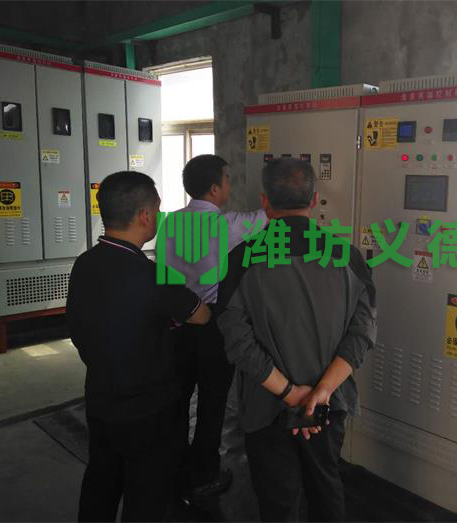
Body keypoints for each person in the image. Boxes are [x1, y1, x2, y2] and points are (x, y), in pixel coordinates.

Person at [217, 158, 377, 521]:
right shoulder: (349, 258)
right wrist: (321, 392)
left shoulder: (242, 259)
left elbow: (237, 342)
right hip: (328, 406)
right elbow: (362, 334)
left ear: (264, 201)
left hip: (266, 408)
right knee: (326, 487)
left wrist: (291, 394)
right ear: (314, 199)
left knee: (278, 502)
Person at [67, 171, 211, 522]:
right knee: (147, 493)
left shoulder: (84, 264)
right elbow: (201, 315)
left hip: (100, 399)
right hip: (150, 409)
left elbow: (77, 327)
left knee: (101, 482)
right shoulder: (152, 275)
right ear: (145, 216)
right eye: (158, 211)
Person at [163, 154, 267, 501]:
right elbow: (270, 214)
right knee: (212, 403)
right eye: (227, 179)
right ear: (214, 188)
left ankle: (174, 467)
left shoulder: (170, 222)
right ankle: (204, 474)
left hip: (176, 323)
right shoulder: (227, 224)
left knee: (178, 399)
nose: (230, 185)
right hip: (212, 327)